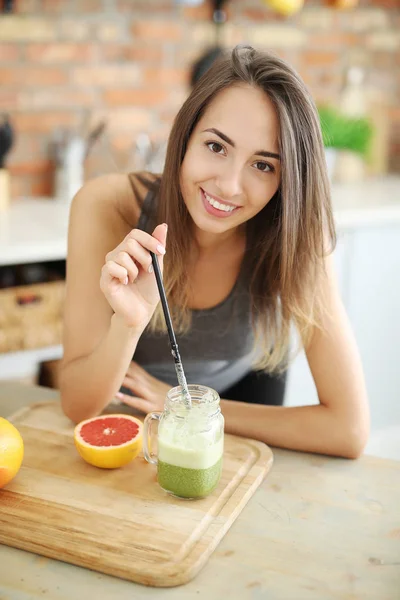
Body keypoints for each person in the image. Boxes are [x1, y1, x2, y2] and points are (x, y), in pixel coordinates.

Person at [60, 45, 369, 458]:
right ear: (186, 136)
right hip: (131, 407)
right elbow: (78, 407)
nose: (228, 186)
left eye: (263, 165)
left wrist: (186, 404)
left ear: (287, 180)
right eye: (217, 147)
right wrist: (128, 324)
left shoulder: (299, 235)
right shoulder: (108, 207)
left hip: (238, 403)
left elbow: (348, 430)